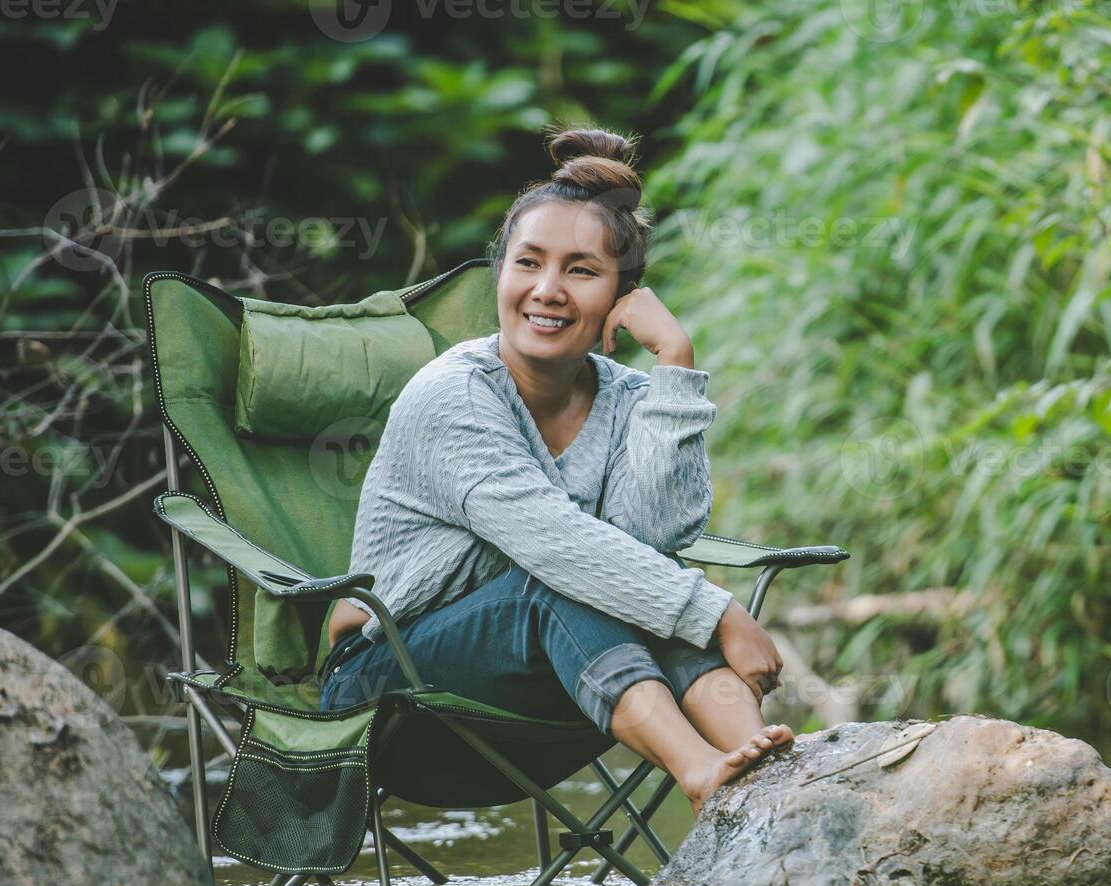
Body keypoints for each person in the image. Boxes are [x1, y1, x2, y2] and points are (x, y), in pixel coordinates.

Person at [318, 126, 793, 812]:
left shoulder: (633, 401)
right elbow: (552, 543)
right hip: (389, 691)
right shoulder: (453, 394)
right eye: (528, 263)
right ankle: (702, 774)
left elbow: (650, 540)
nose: (547, 290)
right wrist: (719, 613)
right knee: (562, 582)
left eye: (580, 270)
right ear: (500, 272)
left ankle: (772, 781)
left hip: (547, 683)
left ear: (623, 297)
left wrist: (674, 366)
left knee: (628, 590)